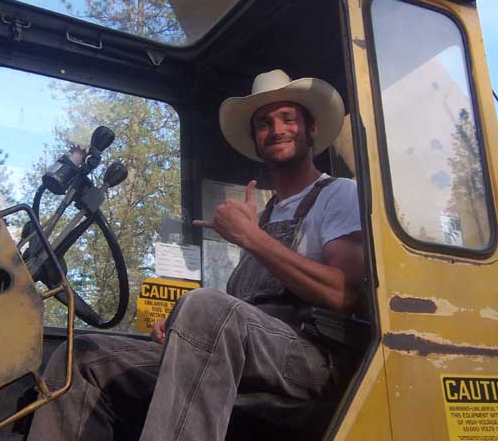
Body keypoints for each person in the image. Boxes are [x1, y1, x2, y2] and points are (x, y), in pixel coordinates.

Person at [28, 69, 363, 441]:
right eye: (264, 123)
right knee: (83, 358)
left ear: (312, 128)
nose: (277, 129)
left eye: (289, 118)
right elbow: (240, 310)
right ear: (256, 139)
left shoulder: (339, 194)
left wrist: (253, 240)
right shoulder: (266, 215)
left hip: (311, 359)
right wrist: (182, 324)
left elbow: (343, 293)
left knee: (205, 309)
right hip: (252, 354)